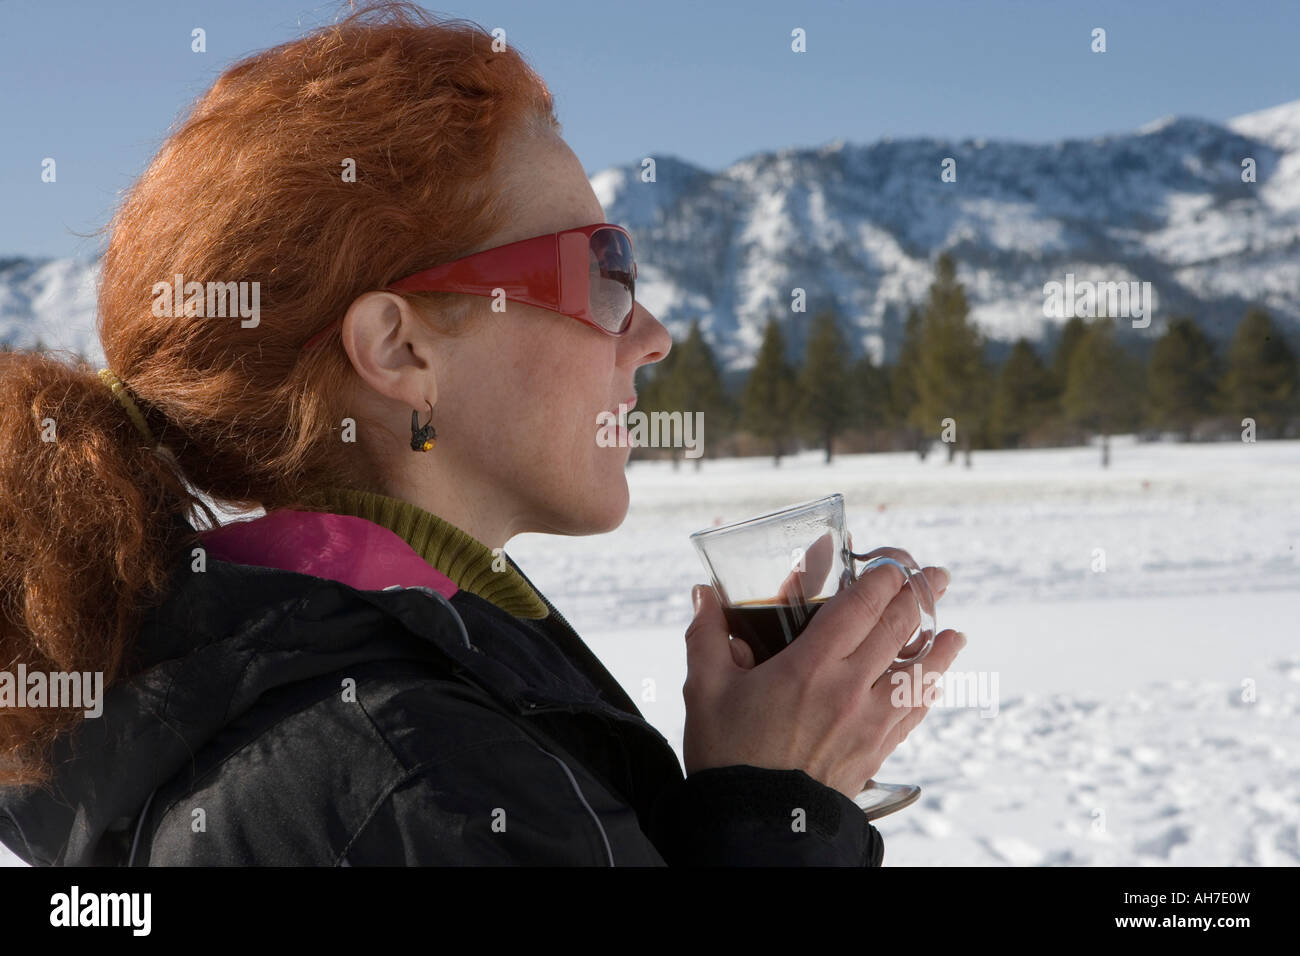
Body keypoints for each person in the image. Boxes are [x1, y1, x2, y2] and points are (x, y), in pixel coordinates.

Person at [0, 3, 963, 866]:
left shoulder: (353, 689)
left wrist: (745, 786)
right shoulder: (413, 783)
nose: (655, 336)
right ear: (399, 347)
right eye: (605, 275)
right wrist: (771, 811)